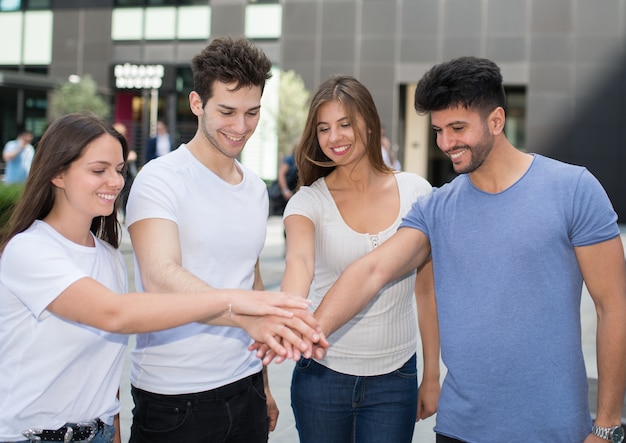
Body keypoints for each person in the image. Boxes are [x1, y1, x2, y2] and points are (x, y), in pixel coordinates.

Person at [306, 57, 626, 443]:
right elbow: (371, 271)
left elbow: (614, 307)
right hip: (460, 429)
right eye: (438, 130)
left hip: (552, 428)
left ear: (496, 120)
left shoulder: (573, 189)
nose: (445, 143)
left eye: (458, 128)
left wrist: (607, 424)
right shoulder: (436, 209)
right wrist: (304, 332)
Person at [0, 113, 324, 443]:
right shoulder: (28, 250)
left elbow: (106, 372)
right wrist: (237, 301)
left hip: (97, 431)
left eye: (119, 170)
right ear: (57, 173)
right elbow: (116, 315)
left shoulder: (108, 256)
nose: (115, 182)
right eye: (99, 170)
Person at [125, 37, 326, 443]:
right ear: (197, 104)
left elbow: (249, 280)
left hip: (245, 386)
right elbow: (162, 276)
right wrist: (250, 316)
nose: (240, 127)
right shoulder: (160, 178)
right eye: (227, 111)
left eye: (252, 113)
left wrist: (265, 384)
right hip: (174, 398)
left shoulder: (253, 188)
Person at [278, 75, 440, 442]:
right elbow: (298, 263)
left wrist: (431, 374)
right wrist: (288, 314)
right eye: (323, 128)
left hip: (395, 379)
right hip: (322, 375)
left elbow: (427, 292)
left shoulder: (416, 191)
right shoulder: (308, 201)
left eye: (345, 124)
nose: (334, 137)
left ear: (368, 123)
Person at [112, 122, 137, 221]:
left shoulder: (126, 143)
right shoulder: (108, 145)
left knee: (127, 193)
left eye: (123, 133)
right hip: (115, 175)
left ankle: (125, 214)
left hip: (126, 175)